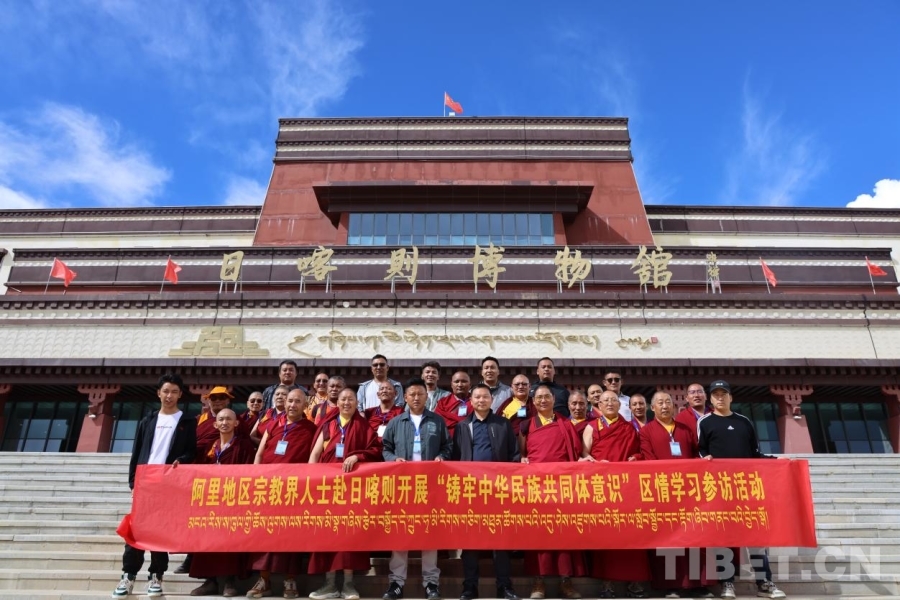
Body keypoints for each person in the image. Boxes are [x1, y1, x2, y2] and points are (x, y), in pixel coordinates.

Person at [698, 381, 787, 600]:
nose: (720, 398)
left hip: (747, 487)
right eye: (716, 395)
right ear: (710, 399)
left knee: (755, 536)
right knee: (725, 536)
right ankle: (727, 582)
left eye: (724, 394)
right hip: (721, 489)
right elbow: (701, 452)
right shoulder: (705, 422)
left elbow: (755, 453)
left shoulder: (744, 421)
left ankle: (764, 582)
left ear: (731, 397)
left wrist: (778, 462)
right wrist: (706, 460)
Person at [113, 372, 196, 599]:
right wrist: (133, 481)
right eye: (166, 391)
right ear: (158, 393)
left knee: (160, 531)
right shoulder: (147, 420)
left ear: (180, 395)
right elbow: (137, 452)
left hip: (168, 483)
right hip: (145, 482)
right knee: (137, 530)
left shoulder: (187, 421)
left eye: (174, 392)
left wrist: (182, 460)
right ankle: (128, 576)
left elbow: (191, 451)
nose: (169, 396)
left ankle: (156, 576)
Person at [308, 389, 383, 600]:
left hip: (353, 491)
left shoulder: (363, 426)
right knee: (328, 534)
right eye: (343, 399)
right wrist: (312, 483)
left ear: (357, 403)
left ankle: (349, 584)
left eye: (351, 399)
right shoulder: (328, 425)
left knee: (350, 535)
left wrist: (358, 456)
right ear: (337, 402)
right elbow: (315, 455)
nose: (347, 402)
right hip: (327, 489)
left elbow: (375, 450)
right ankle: (329, 584)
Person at [381, 378, 452, 600]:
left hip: (429, 486)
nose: (416, 398)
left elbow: (447, 446)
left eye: (420, 394)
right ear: (405, 397)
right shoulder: (396, 422)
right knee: (400, 531)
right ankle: (396, 582)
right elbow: (386, 448)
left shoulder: (437, 421)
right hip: (403, 486)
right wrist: (394, 459)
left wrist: (441, 457)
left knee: (429, 532)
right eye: (412, 394)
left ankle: (431, 583)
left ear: (426, 396)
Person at [639, 392, 711, 599]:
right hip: (663, 492)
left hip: (688, 491)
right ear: (653, 408)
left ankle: (698, 584)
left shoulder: (685, 429)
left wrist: (703, 460)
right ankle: (671, 585)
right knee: (668, 539)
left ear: (674, 406)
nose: (664, 406)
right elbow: (649, 459)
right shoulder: (646, 431)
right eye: (660, 403)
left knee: (694, 537)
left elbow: (696, 453)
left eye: (668, 402)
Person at [247, 388, 317, 599]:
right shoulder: (272, 424)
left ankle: (290, 579)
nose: (293, 405)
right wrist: (256, 477)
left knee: (291, 533)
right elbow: (260, 453)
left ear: (305, 406)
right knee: (265, 532)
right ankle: (264, 579)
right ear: (284, 403)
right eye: (290, 401)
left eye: (298, 402)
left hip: (293, 489)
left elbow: (312, 458)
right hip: (269, 486)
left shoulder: (310, 428)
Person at [452, 384, 520, 600]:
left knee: (501, 541)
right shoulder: (463, 426)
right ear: (471, 401)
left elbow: (514, 455)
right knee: (470, 541)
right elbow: (455, 458)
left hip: (498, 491)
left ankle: (504, 586)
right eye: (477, 397)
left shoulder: (502, 424)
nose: (481, 400)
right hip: (471, 492)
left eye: (485, 397)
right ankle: (470, 587)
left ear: (492, 400)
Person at [519, 384, 583, 600]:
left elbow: (576, 452)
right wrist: (523, 459)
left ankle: (566, 581)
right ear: (533, 401)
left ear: (554, 400)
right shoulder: (527, 425)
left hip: (562, 486)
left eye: (547, 397)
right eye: (539, 397)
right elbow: (522, 453)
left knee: (564, 533)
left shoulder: (565, 424)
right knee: (538, 534)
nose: (543, 400)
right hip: (536, 488)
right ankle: (538, 582)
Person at [581, 391, 647, 599]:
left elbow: (639, 452)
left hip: (626, 489)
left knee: (631, 533)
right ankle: (606, 582)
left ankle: (634, 581)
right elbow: (585, 454)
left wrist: (635, 458)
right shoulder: (592, 426)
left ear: (620, 405)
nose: (610, 403)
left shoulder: (629, 428)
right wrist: (593, 462)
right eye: (605, 400)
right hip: (602, 489)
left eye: (613, 400)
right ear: (598, 405)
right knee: (606, 535)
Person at [176, 385, 246, 576]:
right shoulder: (200, 420)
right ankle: (191, 557)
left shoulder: (237, 420)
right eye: (214, 398)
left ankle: (227, 574)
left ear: (228, 400)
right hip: (202, 476)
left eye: (222, 398)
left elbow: (243, 444)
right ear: (208, 401)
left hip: (230, 481)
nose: (218, 401)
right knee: (198, 521)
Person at [188, 408, 255, 597]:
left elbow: (250, 473)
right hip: (211, 500)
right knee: (208, 539)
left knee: (230, 540)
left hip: (233, 499)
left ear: (236, 423)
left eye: (228, 419)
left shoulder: (244, 446)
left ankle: (229, 582)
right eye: (221, 419)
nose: (225, 422)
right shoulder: (210, 446)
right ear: (215, 424)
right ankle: (210, 581)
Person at [434, 370, 473, 438]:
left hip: (470, 438)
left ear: (470, 385)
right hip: (447, 439)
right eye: (456, 381)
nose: (460, 385)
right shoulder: (443, 402)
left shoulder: (476, 401)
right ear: (452, 385)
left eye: (464, 381)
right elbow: (438, 422)